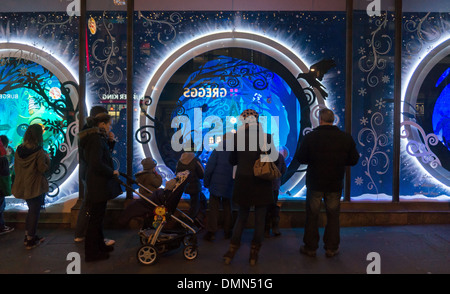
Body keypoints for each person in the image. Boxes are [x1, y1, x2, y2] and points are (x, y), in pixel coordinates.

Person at [297, 108, 359, 258]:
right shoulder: (345, 138)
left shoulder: (311, 137)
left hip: (315, 183)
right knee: (333, 216)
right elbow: (354, 160)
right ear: (333, 120)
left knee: (312, 215)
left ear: (320, 120)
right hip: (334, 183)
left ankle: (310, 247)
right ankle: (331, 247)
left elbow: (301, 158)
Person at [223, 109, 278, 266]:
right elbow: (274, 157)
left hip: (243, 182)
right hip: (262, 183)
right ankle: (254, 253)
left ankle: (232, 250)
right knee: (260, 220)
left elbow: (232, 160)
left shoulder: (238, 137)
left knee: (242, 216)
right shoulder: (266, 137)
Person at [78, 112, 119, 262]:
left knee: (98, 217)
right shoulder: (95, 138)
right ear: (101, 124)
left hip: (97, 182)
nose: (110, 127)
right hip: (98, 183)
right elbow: (96, 162)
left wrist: (110, 142)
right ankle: (92, 252)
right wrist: (111, 172)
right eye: (108, 124)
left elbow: (102, 156)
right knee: (95, 219)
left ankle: (100, 246)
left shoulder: (95, 137)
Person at [11, 124, 50, 249]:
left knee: (31, 210)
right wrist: (47, 159)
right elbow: (42, 168)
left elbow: (17, 168)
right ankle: (30, 240)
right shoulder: (38, 151)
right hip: (35, 185)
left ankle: (28, 235)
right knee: (34, 212)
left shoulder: (19, 149)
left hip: (23, 185)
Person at [203, 134, 234, 241]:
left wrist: (206, 182)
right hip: (229, 184)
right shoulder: (236, 151)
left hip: (215, 183)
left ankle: (211, 232)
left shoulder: (218, 150)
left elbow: (209, 167)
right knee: (228, 207)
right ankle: (227, 231)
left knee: (213, 209)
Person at [175, 148, 205, 226]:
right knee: (196, 204)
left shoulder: (180, 160)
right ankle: (191, 221)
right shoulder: (195, 160)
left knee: (201, 199)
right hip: (195, 186)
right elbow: (202, 174)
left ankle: (194, 218)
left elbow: (177, 173)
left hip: (185, 186)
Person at [265, 146, 287, 237]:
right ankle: (275, 227)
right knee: (274, 206)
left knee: (265, 207)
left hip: (264, 186)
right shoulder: (280, 156)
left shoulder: (263, 156)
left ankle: (265, 229)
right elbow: (284, 170)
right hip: (275, 186)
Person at [0, 135, 14, 235]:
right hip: (1, 187)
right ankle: (1, 227)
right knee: (0, 206)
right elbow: (5, 174)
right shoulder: (2, 158)